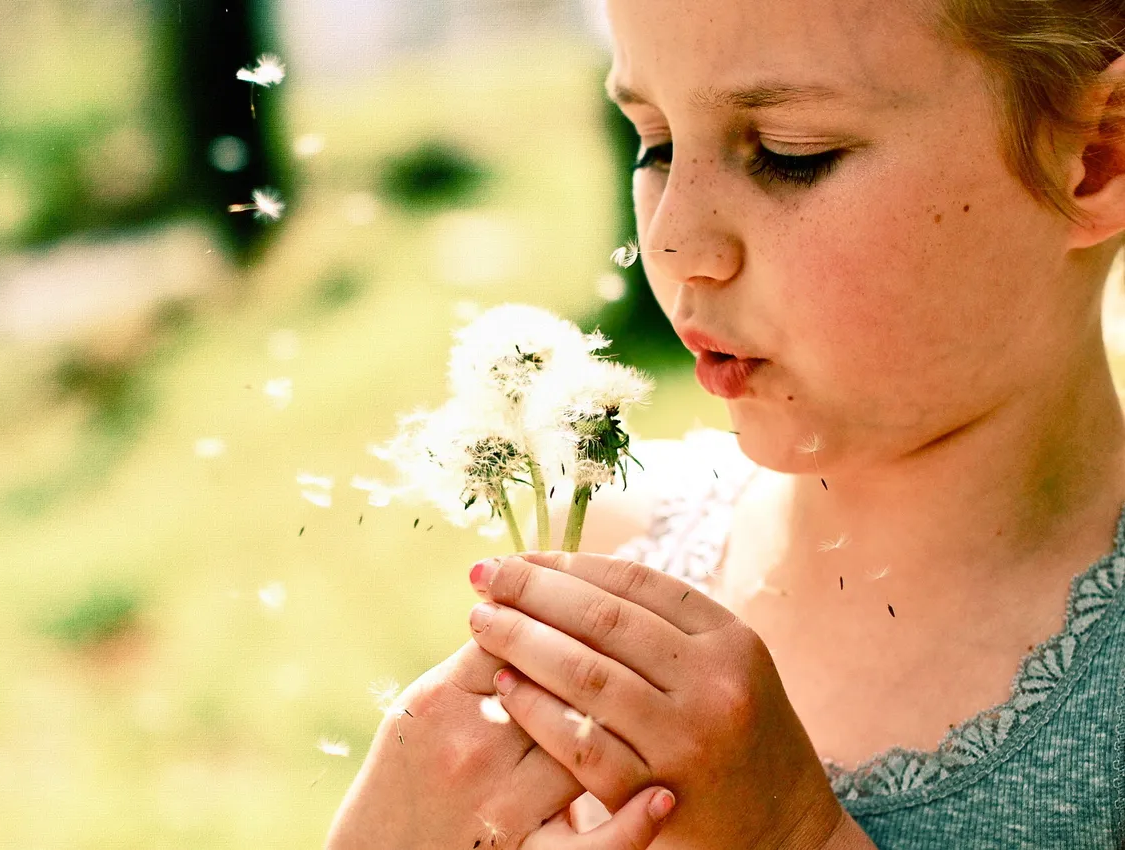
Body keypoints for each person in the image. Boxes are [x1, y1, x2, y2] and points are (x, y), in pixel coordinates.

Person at [324, 0, 1125, 844]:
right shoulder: (610, 560)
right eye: (655, 144)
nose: (670, 244)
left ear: (1097, 154)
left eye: (790, 156)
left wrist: (793, 837)